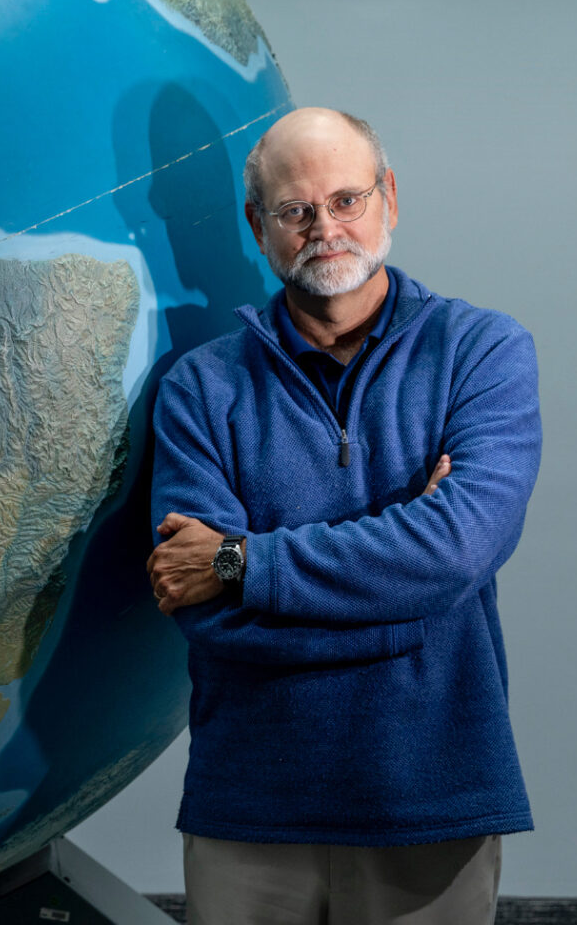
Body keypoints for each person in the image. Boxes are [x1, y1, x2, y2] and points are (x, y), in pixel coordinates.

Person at [145, 107, 541, 924]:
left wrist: (242, 562)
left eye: (347, 199)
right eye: (296, 211)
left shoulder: (484, 351)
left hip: (434, 796)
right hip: (249, 807)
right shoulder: (200, 388)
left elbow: (459, 550)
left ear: (388, 197)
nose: (325, 227)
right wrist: (412, 605)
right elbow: (204, 614)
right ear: (260, 228)